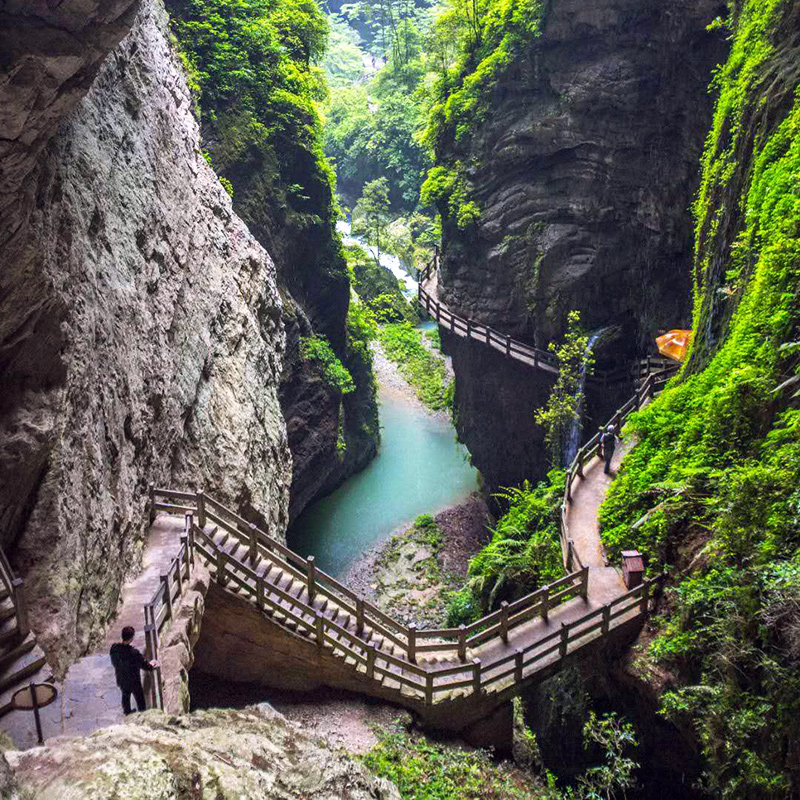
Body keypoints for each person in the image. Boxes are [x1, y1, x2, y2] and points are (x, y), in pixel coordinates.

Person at [109, 626, 158, 715]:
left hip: (121, 678)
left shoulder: (114, 649)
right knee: (140, 698)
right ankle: (143, 714)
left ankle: (127, 712)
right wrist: (151, 665)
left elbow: (114, 662)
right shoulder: (134, 653)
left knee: (125, 696)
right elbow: (144, 665)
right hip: (133, 680)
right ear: (131, 638)